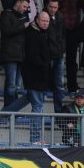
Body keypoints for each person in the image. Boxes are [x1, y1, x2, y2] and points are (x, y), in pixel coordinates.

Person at [50, 0, 84, 93]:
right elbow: (51, 5)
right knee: (56, 58)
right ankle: (54, 84)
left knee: (71, 60)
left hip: (74, 29)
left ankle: (72, 86)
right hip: (59, 29)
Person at [22, 11, 52, 143]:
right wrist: (44, 67)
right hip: (35, 78)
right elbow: (33, 56)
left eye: (47, 21)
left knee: (25, 103)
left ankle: (2, 115)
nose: (45, 23)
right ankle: (35, 139)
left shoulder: (43, 33)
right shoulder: (32, 34)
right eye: (43, 20)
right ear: (37, 20)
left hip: (39, 78)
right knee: (38, 107)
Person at [0, 0, 30, 108]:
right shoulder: (6, 14)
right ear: (18, 3)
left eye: (27, 7)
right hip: (10, 55)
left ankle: (14, 110)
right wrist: (23, 26)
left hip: (21, 55)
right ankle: (8, 109)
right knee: (11, 85)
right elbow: (6, 31)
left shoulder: (24, 16)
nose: (26, 9)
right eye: (24, 6)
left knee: (17, 86)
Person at [45, 0, 66, 113]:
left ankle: (58, 113)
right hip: (47, 56)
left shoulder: (61, 17)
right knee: (44, 84)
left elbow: (63, 36)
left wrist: (62, 50)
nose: (53, 9)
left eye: (55, 7)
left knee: (59, 85)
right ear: (47, 6)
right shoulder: (42, 17)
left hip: (59, 55)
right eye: (51, 7)